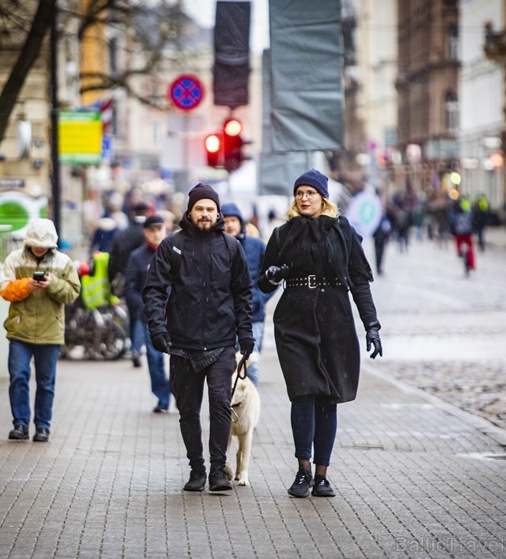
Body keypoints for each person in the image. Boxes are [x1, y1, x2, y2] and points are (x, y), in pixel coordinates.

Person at [257, 169, 383, 499]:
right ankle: (303, 470)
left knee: (328, 398)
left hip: (335, 322)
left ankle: (323, 475)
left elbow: (359, 281)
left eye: (310, 192)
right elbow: (262, 282)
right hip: (293, 322)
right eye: (299, 192)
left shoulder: (343, 232)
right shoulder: (282, 234)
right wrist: (271, 276)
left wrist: (372, 325)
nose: (304, 198)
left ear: (323, 198)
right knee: (303, 393)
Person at [142, 183, 255, 492]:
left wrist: (245, 333)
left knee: (220, 404)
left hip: (221, 342)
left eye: (210, 209)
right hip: (181, 343)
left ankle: (219, 469)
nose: (205, 214)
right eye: (199, 209)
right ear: (189, 212)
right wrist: (157, 328)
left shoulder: (231, 247)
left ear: (217, 213)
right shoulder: (172, 246)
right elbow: (154, 290)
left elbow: (243, 293)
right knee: (188, 410)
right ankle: (197, 469)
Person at [0, 219, 80, 442]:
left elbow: (72, 293)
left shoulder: (63, 262)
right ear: (28, 243)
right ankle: (21, 425)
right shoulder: (14, 259)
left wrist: (52, 284)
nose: (39, 249)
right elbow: (3, 288)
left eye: (43, 246)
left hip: (50, 331)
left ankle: (42, 426)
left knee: (46, 382)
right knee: (18, 377)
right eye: (36, 245)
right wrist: (27, 285)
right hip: (20, 330)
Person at [221, 202, 273, 387]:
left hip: (253, 316)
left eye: (233, 220)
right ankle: (229, 410)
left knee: (250, 365)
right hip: (223, 318)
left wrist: (259, 298)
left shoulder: (257, 246)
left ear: (241, 222)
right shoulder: (216, 247)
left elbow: (271, 278)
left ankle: (251, 410)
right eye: (225, 221)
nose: (230, 225)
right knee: (226, 368)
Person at [124, 214, 171, 412]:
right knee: (154, 358)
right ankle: (162, 398)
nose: (156, 233)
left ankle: (179, 393)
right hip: (150, 317)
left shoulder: (175, 252)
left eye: (159, 229)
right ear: (145, 232)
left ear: (165, 230)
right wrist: (144, 307)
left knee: (179, 359)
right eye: (152, 230)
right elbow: (130, 288)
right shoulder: (137, 257)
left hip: (176, 315)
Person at [109, 201, 151, 367]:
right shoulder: (148, 232)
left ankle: (134, 344)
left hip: (127, 280)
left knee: (134, 314)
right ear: (146, 212)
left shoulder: (122, 233)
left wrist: (111, 279)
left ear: (132, 214)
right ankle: (137, 347)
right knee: (143, 315)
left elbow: (113, 258)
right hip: (147, 278)